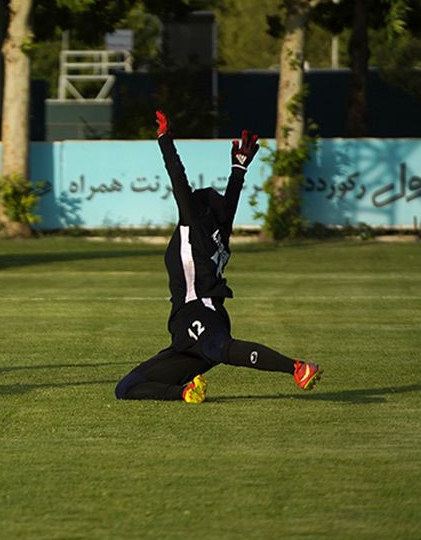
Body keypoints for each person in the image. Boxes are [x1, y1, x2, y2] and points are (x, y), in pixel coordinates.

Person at [114, 111, 322, 403]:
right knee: (126, 388)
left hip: (199, 314)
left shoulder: (197, 228)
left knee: (222, 347)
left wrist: (165, 139)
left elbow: (178, 179)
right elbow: (230, 205)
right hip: (186, 336)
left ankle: (297, 368)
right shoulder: (219, 232)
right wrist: (239, 167)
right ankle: (185, 392)